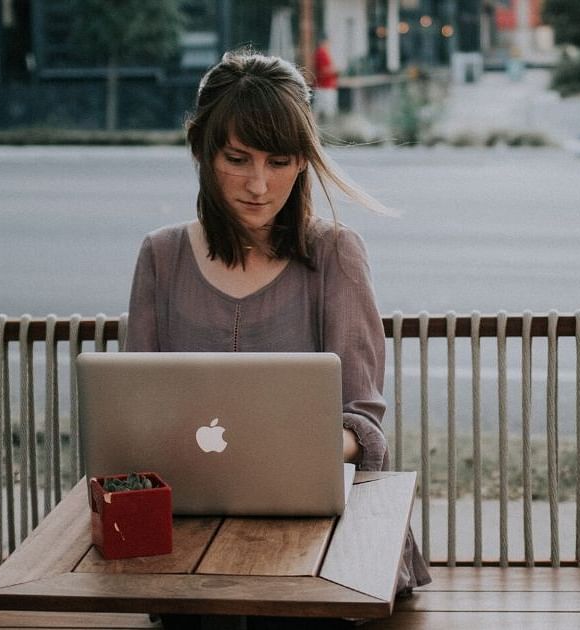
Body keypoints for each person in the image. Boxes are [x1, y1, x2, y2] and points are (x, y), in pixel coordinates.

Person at [124, 49, 430, 600]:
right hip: (188, 538)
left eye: (279, 161)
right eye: (237, 159)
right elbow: (133, 413)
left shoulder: (335, 252)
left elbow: (364, 425)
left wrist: (274, 448)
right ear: (201, 150)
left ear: (303, 161)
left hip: (324, 544)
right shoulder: (161, 255)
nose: (259, 186)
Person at [313, 38, 340, 122]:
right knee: (325, 110)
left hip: (326, 86)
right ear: (324, 43)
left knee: (321, 109)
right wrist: (335, 70)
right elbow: (323, 71)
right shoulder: (321, 53)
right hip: (324, 87)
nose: (329, 45)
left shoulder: (324, 53)